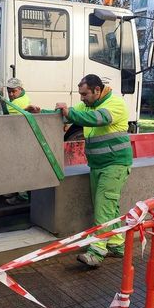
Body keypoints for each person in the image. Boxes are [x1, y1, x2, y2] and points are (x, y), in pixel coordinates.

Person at [29, 74, 132, 267]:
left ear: (97, 90)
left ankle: (97, 252)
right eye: (80, 94)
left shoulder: (115, 104)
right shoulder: (88, 105)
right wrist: (40, 111)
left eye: (85, 94)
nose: (82, 98)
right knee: (109, 207)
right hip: (99, 164)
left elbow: (97, 119)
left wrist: (70, 114)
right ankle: (117, 245)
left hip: (115, 165)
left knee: (103, 208)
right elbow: (67, 113)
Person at [5, 77, 31, 205]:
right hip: (18, 138)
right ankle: (15, 190)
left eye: (13, 91)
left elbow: (3, 114)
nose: (10, 94)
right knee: (15, 166)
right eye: (9, 91)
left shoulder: (19, 102)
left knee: (20, 167)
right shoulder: (20, 99)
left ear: (20, 89)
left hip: (22, 139)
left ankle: (22, 196)